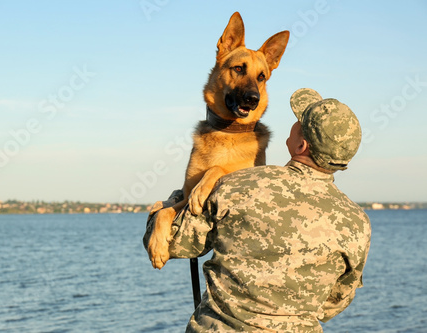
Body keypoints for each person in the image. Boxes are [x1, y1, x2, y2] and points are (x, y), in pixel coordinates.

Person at [143, 88, 371, 332]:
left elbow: (173, 243)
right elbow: (333, 304)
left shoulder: (236, 185)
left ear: (301, 145)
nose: (294, 124)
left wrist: (176, 199)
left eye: (299, 122)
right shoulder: (357, 223)